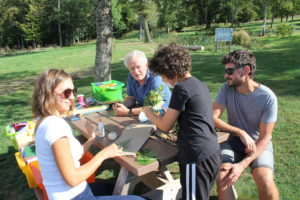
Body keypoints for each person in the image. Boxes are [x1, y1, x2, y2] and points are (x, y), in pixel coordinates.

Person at [32, 69, 145, 200]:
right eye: (67, 92)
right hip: (76, 196)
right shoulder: (55, 126)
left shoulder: (42, 122)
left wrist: (91, 139)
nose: (72, 97)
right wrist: (104, 154)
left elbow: (72, 157)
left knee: (109, 188)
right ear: (49, 94)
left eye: (73, 92)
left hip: (71, 194)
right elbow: (73, 179)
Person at [143, 43, 221, 200]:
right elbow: (192, 115)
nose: (163, 80)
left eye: (163, 76)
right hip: (211, 151)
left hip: (195, 156)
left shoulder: (181, 89)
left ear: (171, 72)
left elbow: (165, 126)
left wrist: (148, 112)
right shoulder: (199, 84)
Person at [213, 49, 279, 200]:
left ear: (246, 70)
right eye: (225, 71)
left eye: (230, 71)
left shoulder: (268, 98)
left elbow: (265, 138)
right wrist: (240, 132)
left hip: (259, 143)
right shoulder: (226, 88)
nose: (225, 75)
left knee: (265, 179)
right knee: (223, 175)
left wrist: (242, 165)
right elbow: (212, 118)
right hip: (234, 141)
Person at [113, 50, 171, 116]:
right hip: (145, 114)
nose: (136, 72)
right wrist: (121, 106)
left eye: (138, 67)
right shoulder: (131, 76)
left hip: (164, 114)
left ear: (146, 65)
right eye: (132, 68)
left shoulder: (155, 77)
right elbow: (131, 98)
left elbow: (155, 108)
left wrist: (128, 112)